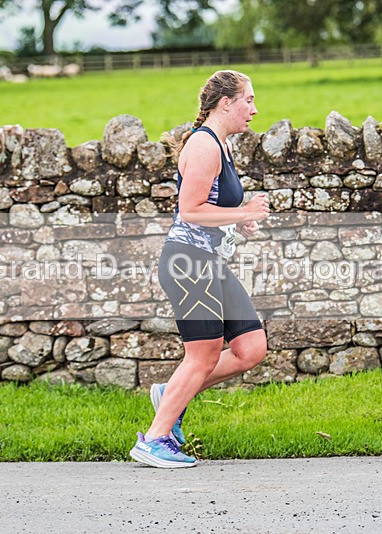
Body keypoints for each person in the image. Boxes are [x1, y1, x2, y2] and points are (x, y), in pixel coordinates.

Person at [129, 70, 271, 468]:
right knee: (204, 355)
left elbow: (208, 206)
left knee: (250, 348)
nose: (254, 110)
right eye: (248, 100)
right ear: (226, 103)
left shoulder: (222, 146)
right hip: (189, 262)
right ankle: (155, 439)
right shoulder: (206, 145)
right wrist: (242, 210)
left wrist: (235, 220)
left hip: (209, 263)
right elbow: (189, 210)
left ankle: (170, 391)